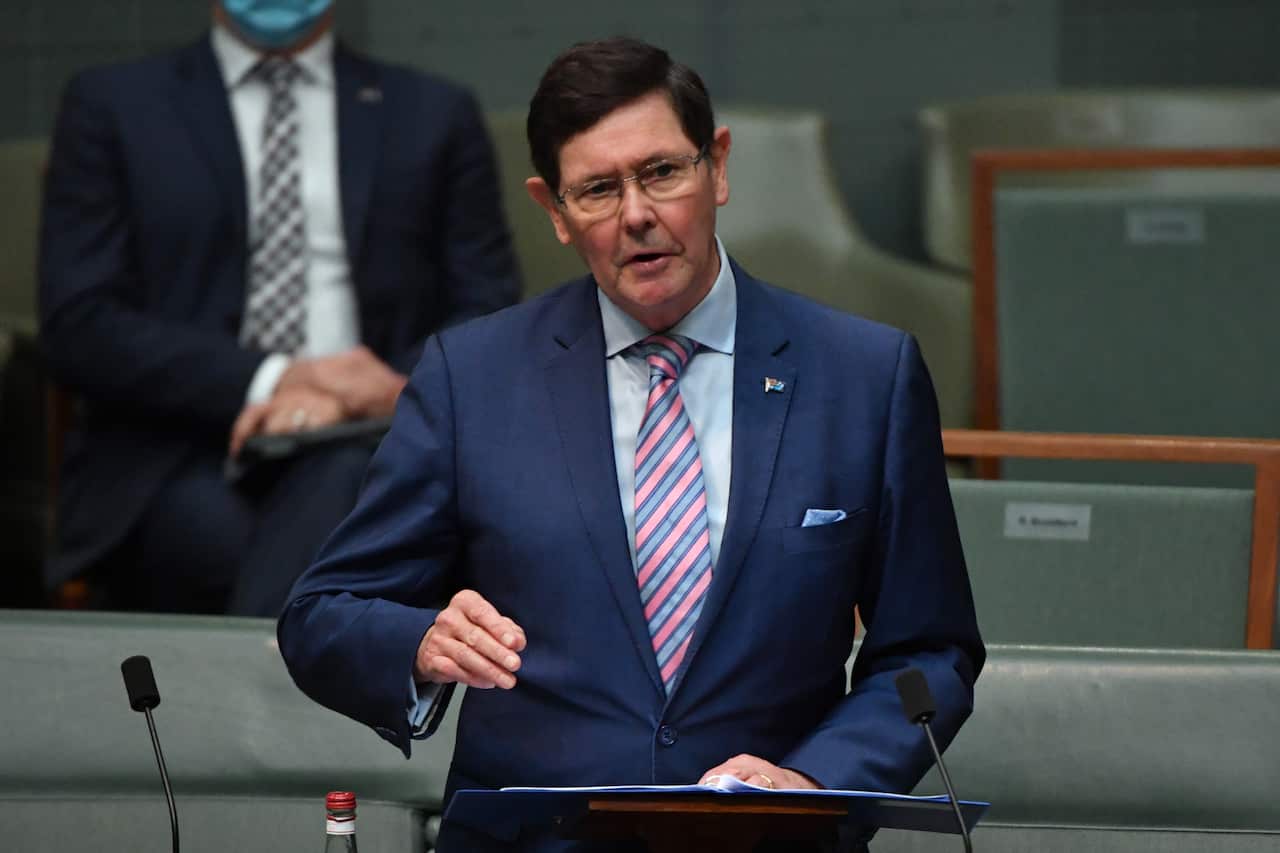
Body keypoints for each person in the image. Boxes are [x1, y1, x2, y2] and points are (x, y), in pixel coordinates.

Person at [278, 37, 983, 852]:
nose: (637, 215)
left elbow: (929, 649)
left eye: (661, 173)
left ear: (716, 166)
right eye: (598, 190)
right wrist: (420, 643)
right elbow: (320, 616)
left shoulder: (866, 375)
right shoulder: (470, 378)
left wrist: (818, 780)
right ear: (555, 211)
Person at [38, 0, 519, 616]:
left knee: (347, 483)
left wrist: (368, 394)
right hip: (178, 449)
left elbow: (485, 305)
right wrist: (282, 380)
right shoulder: (112, 105)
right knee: (275, 533)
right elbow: (79, 324)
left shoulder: (433, 113)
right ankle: (293, 678)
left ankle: (250, 698)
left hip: (376, 437)